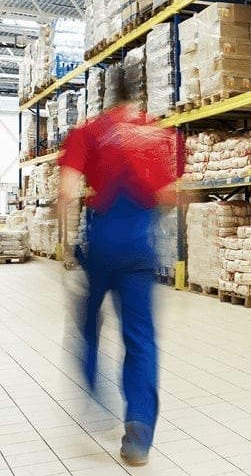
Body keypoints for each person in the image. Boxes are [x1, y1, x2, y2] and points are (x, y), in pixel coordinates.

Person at [58, 71, 178, 467]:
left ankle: (98, 400)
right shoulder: (155, 134)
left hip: (102, 245)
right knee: (141, 339)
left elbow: (66, 191)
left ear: (107, 97)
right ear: (140, 96)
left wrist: (64, 243)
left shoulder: (89, 132)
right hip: (142, 248)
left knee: (88, 324)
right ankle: (139, 432)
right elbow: (169, 195)